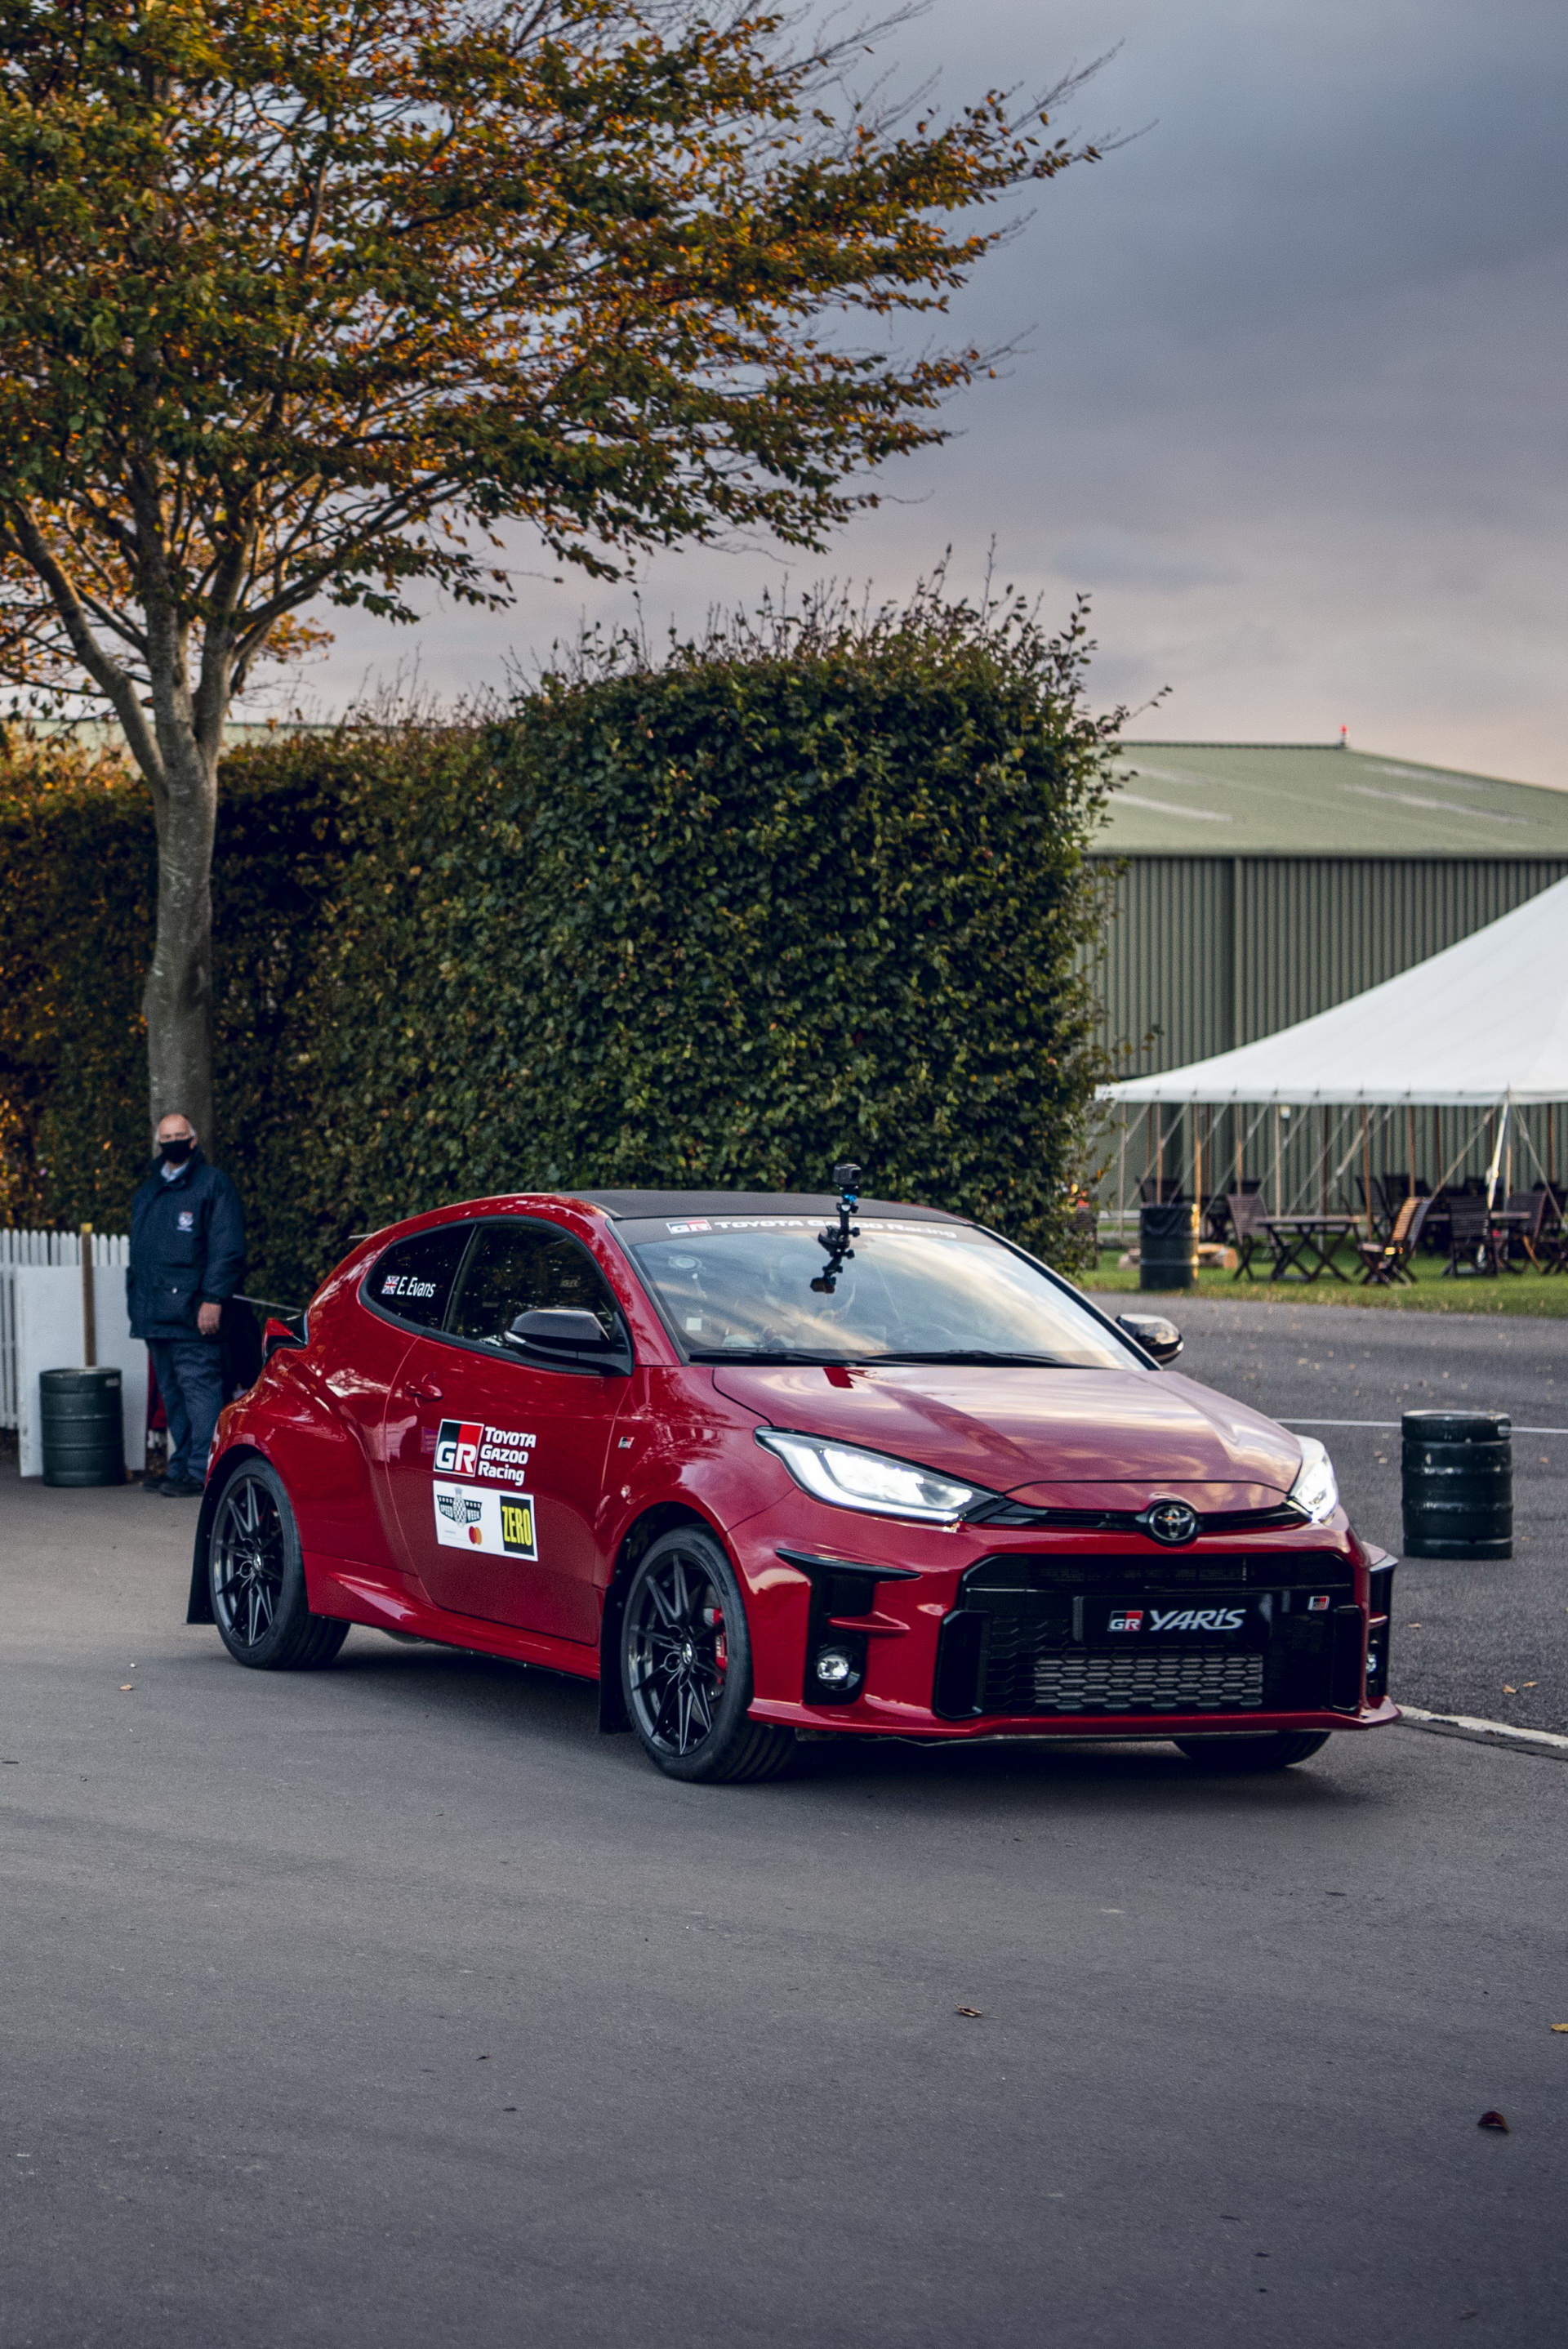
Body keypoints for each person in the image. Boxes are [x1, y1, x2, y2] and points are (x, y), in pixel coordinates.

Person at [127, 1112, 245, 1496]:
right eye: (167, 1136)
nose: (174, 1142)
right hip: (154, 1314)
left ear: (193, 1141)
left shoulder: (213, 1185)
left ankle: (202, 1469)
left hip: (194, 1312)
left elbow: (226, 1248)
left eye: (180, 1135)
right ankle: (181, 1466)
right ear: (159, 1143)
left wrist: (214, 1299)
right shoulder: (147, 1193)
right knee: (173, 1395)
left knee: (200, 1391)